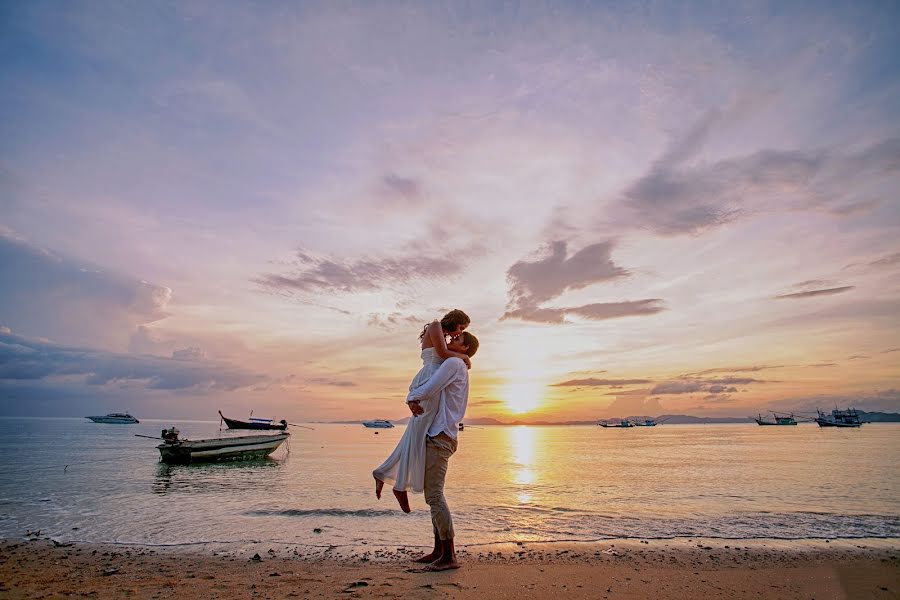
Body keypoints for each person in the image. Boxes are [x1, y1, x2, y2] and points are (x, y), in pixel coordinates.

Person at [372, 310, 473, 513]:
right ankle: (397, 483)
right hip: (429, 379)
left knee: (416, 433)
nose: (458, 333)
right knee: (416, 433)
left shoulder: (444, 338)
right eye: (461, 328)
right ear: (455, 320)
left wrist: (462, 356)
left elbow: (446, 358)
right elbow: (443, 355)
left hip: (435, 382)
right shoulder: (436, 326)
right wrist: (463, 355)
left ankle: (390, 477)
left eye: (461, 332)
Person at [405, 332, 478, 571]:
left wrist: (411, 397)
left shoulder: (454, 363)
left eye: (457, 339)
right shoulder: (457, 362)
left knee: (434, 496)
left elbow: (431, 387)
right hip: (440, 434)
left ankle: (449, 556)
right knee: (433, 495)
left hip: (441, 436)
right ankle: (438, 551)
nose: (451, 339)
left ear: (465, 348)